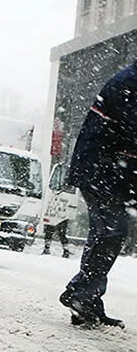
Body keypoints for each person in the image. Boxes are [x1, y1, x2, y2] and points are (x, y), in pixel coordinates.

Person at [59, 62, 137, 328]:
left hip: (108, 171)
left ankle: (85, 299)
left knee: (104, 232)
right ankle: (82, 295)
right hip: (100, 170)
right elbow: (131, 132)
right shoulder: (129, 83)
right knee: (112, 232)